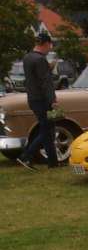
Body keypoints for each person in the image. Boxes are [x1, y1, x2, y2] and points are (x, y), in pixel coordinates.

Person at [17, 32, 60, 170]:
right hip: (42, 100)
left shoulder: (28, 57)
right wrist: (52, 99)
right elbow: (45, 82)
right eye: (50, 46)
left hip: (33, 98)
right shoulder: (40, 60)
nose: (50, 49)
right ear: (47, 44)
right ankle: (26, 155)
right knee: (47, 131)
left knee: (48, 129)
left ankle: (52, 161)